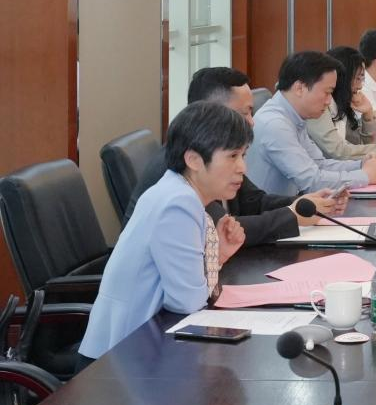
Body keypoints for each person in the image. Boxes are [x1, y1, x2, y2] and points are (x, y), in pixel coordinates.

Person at [79, 101, 249, 362]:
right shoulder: (178, 203)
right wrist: (213, 260)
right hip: (119, 361)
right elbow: (188, 302)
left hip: (143, 346)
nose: (242, 167)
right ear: (193, 159)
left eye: (243, 155)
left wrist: (218, 256)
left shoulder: (177, 190)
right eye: (232, 156)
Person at [125, 67, 344, 246]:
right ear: (212, 112)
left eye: (251, 112)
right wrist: (291, 216)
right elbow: (226, 229)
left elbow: (253, 201)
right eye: (243, 113)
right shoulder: (183, 163)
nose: (251, 122)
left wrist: (304, 203)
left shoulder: (222, 152)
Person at [248, 51, 376, 198]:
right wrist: (364, 176)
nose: (329, 101)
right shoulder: (275, 125)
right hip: (273, 210)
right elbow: (312, 181)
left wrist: (361, 164)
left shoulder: (293, 117)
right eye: (327, 92)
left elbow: (319, 164)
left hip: (288, 205)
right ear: (300, 88)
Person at [307, 46, 376, 161]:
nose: (360, 86)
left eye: (362, 78)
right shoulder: (318, 107)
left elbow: (362, 145)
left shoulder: (341, 103)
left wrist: (368, 114)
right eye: (357, 78)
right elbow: (339, 152)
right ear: (342, 79)